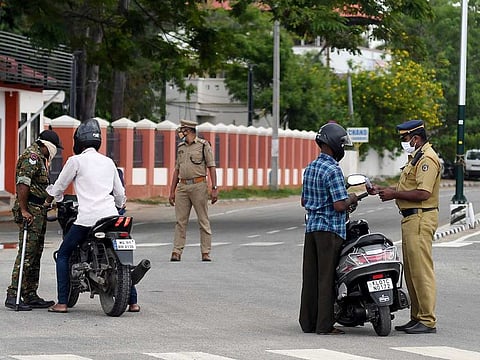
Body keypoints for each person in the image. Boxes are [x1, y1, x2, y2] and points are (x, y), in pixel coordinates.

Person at [46, 118, 138, 313]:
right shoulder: (108, 162)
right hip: (111, 217)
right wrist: (120, 207)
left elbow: (59, 187)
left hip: (87, 219)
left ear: (78, 141)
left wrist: (54, 198)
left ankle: (62, 302)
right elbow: (120, 194)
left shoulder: (76, 161)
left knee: (63, 254)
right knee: (122, 253)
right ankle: (133, 301)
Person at [367, 119, 440, 334]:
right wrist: (386, 189)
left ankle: (427, 320)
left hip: (420, 218)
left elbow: (423, 193)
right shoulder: (416, 158)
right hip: (411, 218)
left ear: (416, 138)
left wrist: (394, 194)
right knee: (411, 271)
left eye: (405, 138)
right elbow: (408, 187)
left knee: (421, 271)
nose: (403, 142)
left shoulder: (427, 159)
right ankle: (417, 316)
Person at [299, 122, 358, 335]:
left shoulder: (310, 168)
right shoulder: (333, 169)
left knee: (311, 277)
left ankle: (308, 322)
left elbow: (304, 200)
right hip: (330, 231)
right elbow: (339, 205)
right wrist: (353, 197)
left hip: (312, 229)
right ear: (334, 144)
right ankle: (324, 325)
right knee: (326, 278)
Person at [5, 130, 63, 311]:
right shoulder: (32, 157)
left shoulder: (40, 159)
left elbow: (39, 186)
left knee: (36, 253)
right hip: (29, 210)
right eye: (55, 149)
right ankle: (13, 294)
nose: (55, 152)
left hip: (38, 210)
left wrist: (47, 203)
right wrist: (23, 209)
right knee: (27, 254)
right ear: (48, 145)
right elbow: (23, 184)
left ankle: (30, 294)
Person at [168, 119, 218, 262]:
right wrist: (172, 191)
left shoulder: (203, 146)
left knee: (203, 220)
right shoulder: (181, 147)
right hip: (182, 187)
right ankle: (176, 251)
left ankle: (206, 252)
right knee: (180, 221)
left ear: (189, 130)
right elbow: (176, 170)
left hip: (199, 186)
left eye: (182, 129)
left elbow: (211, 167)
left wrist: (214, 188)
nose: (180, 132)